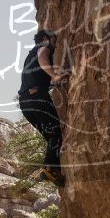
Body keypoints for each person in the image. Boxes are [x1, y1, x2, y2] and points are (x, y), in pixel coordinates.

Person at [18, 29, 69, 187]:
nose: (55, 44)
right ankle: (48, 169)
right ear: (45, 38)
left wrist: (57, 75)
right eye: (54, 40)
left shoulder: (29, 57)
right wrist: (55, 76)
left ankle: (52, 170)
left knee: (51, 136)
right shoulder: (42, 48)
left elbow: (41, 69)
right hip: (37, 98)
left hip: (25, 103)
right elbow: (42, 56)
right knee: (56, 133)